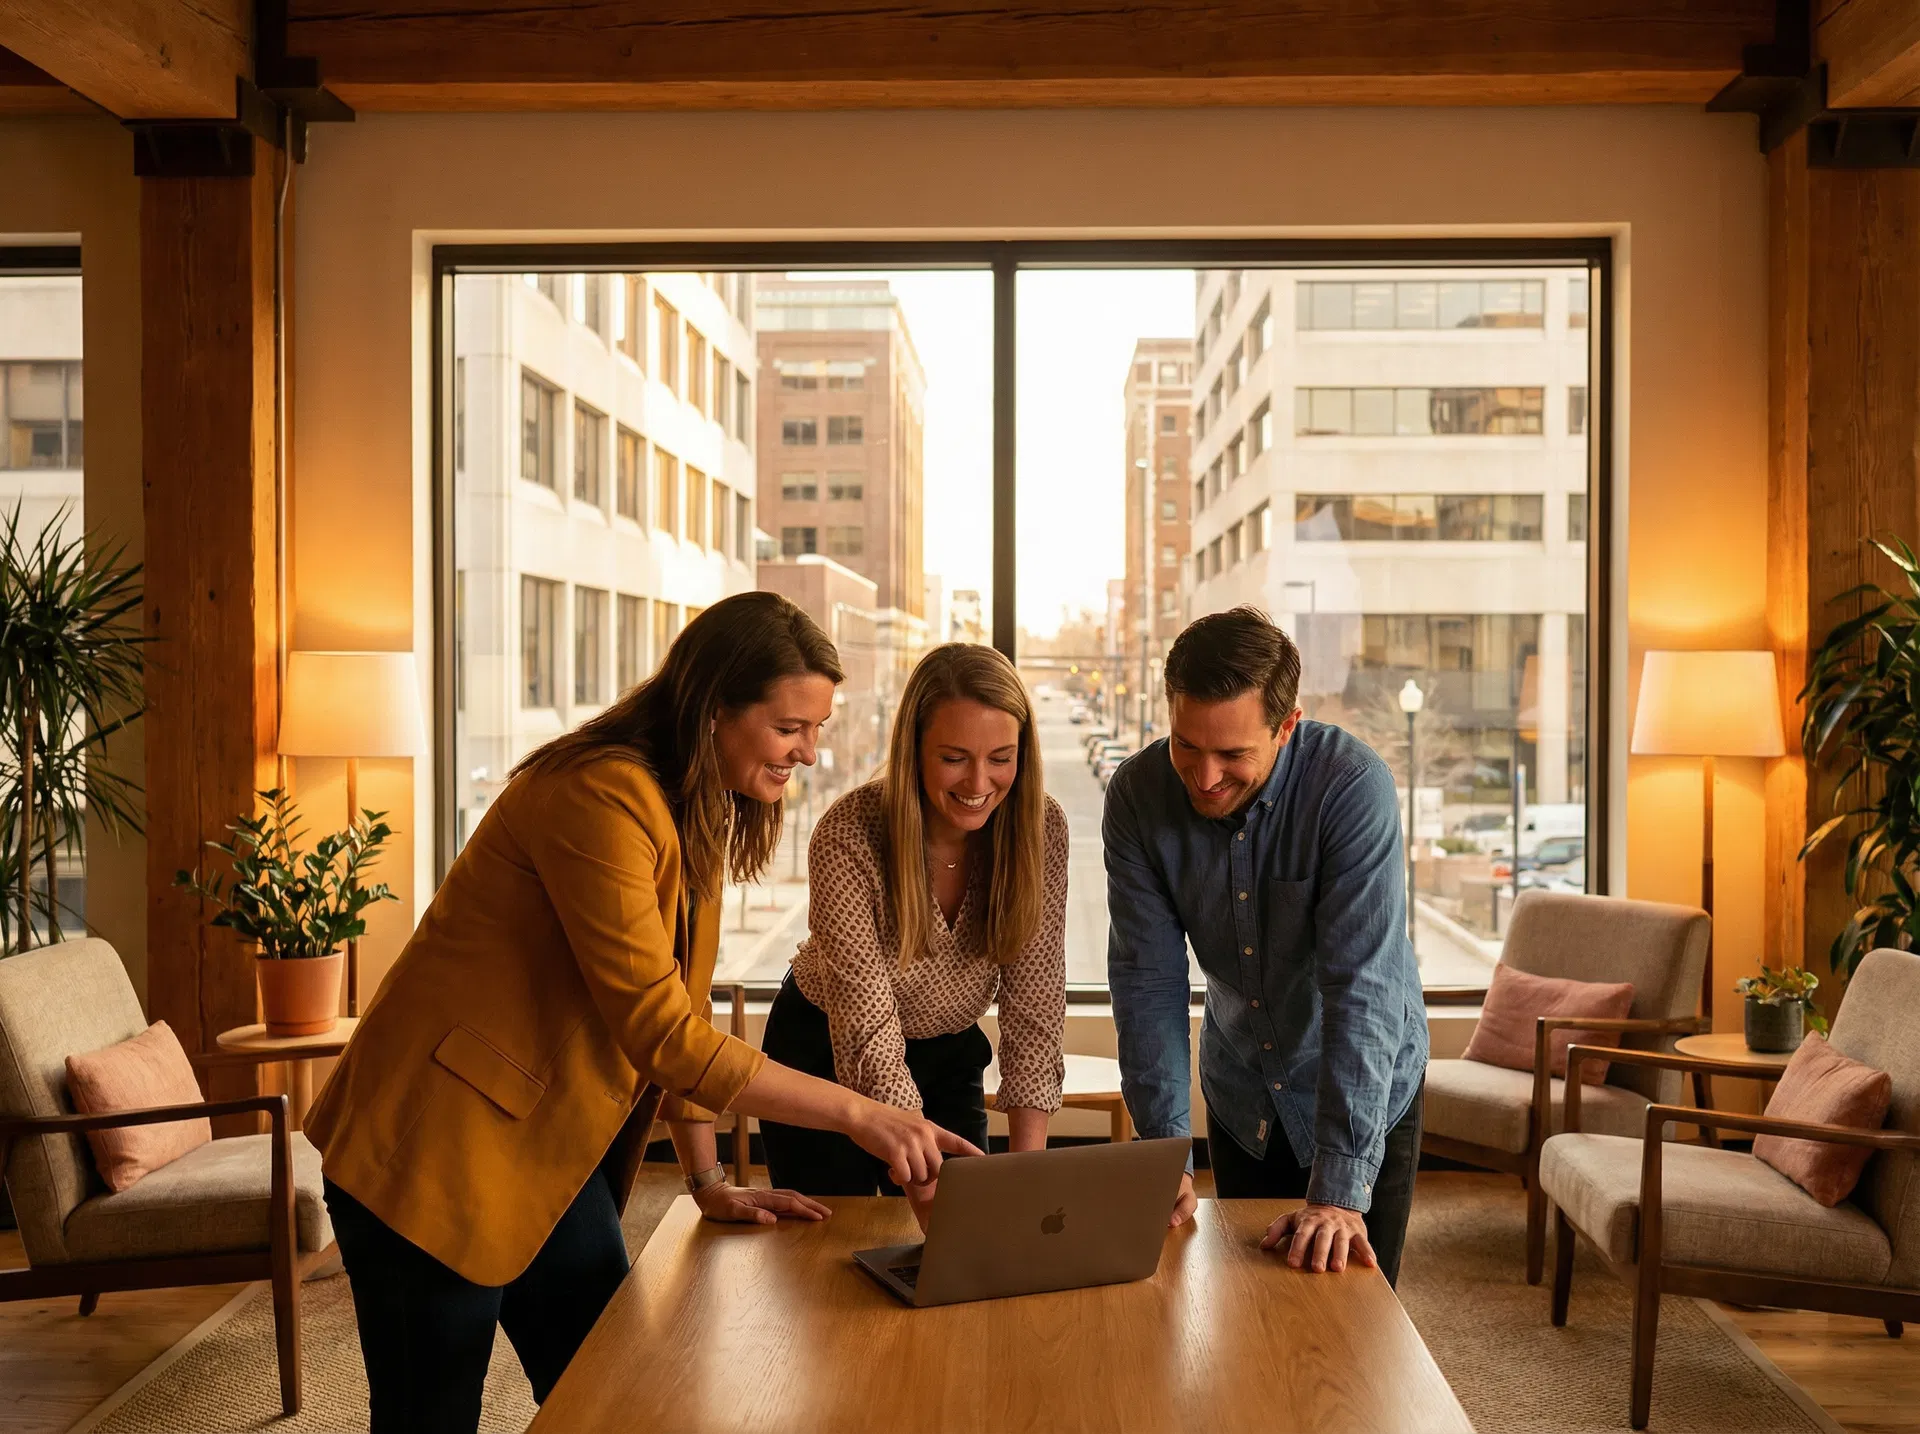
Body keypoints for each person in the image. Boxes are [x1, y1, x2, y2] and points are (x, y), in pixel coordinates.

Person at [304, 593, 977, 1434]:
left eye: (817, 728)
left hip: (549, 1148)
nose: (810, 752)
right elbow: (661, 1032)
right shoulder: (598, 795)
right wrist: (861, 1113)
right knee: (428, 1421)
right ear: (713, 708)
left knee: (618, 1402)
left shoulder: (690, 802)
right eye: (789, 728)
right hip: (432, 1149)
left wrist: (707, 1180)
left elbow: (684, 1006)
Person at [1105, 607, 1428, 1286]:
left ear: (1287, 726)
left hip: (1362, 1090)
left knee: (1353, 1325)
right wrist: (1164, 1157)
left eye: (1233, 754)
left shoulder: (1351, 788)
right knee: (1249, 1316)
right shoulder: (1137, 796)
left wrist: (1339, 1193)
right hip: (1242, 1089)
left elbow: (1361, 987)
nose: (1205, 776)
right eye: (1186, 745)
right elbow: (1148, 984)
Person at [760, 643, 1068, 1226]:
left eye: (1001, 757)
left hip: (948, 1052)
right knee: (830, 1248)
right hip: (825, 1052)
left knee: (965, 1241)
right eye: (954, 758)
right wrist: (925, 1192)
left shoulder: (1040, 828)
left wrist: (1030, 1177)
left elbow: (1035, 1005)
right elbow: (867, 1028)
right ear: (915, 752)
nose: (980, 782)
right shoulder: (848, 835)